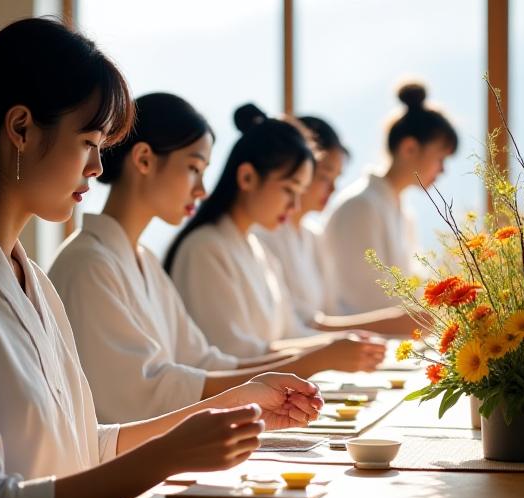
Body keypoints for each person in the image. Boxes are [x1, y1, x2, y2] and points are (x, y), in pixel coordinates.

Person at [0, 19, 322, 498]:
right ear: (20, 128)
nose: (98, 168)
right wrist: (165, 458)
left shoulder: (29, 280)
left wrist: (230, 403)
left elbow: (83, 449)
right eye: (89, 142)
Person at [51, 93, 385, 422]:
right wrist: (312, 361)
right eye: (194, 168)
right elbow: (146, 394)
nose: (201, 189)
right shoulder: (90, 265)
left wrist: (313, 360)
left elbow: (204, 361)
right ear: (144, 160)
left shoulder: (142, 259)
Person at [164, 103, 386, 365]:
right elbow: (229, 355)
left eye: (299, 192)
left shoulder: (256, 248)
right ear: (247, 177)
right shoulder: (204, 249)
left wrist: (347, 343)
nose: (294, 206)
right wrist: (323, 355)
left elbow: (289, 332)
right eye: (289, 190)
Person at [256, 115, 423, 335]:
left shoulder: (312, 236)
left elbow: (329, 314)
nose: (333, 188)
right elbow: (295, 327)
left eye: (336, 178)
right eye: (325, 177)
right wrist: (390, 322)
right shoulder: (264, 236)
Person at [323, 83, 458, 314]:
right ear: (409, 148)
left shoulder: (402, 212)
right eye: (440, 158)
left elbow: (415, 283)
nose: (442, 170)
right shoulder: (360, 207)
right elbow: (367, 301)